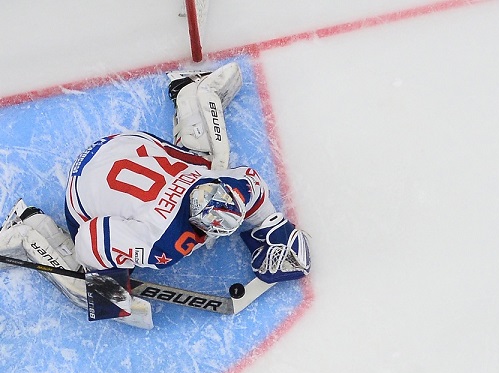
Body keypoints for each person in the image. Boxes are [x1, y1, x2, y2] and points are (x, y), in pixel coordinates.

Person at [0, 63, 310, 326]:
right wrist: (110, 288)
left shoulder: (229, 187)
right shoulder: (159, 240)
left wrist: (272, 226)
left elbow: (252, 190)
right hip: (83, 186)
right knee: (95, 291)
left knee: (207, 162)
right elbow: (90, 241)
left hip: (123, 145)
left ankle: (192, 93)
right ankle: (30, 231)